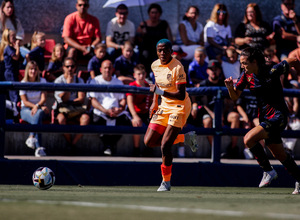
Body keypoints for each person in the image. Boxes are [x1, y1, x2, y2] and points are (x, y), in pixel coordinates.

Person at [224, 47, 300, 194]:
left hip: (278, 116)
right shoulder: (246, 76)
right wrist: (229, 87)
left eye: (244, 63)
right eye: (241, 63)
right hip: (265, 117)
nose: (242, 66)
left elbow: (294, 60)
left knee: (248, 139)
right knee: (280, 155)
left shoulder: (272, 69)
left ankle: (268, 171)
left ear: (254, 62)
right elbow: (234, 97)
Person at [144, 39, 198, 191]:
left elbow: (180, 95)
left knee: (165, 145)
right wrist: (155, 102)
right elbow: (157, 85)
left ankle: (165, 182)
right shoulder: (154, 65)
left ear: (171, 51)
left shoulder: (178, 67)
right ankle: (184, 138)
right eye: (159, 50)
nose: (162, 53)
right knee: (148, 142)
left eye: (165, 50)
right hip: (164, 105)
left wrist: (160, 92)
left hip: (179, 106)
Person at [188, 59, 241, 158]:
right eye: (211, 69)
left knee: (235, 116)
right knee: (207, 121)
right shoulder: (204, 84)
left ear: (219, 70)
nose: (214, 71)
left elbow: (229, 102)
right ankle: (215, 150)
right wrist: (215, 115)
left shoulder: (223, 83)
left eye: (216, 69)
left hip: (223, 112)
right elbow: (203, 104)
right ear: (207, 71)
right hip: (209, 112)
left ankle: (232, 148)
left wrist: (221, 114)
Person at [89, 60, 131, 156]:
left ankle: (110, 145)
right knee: (95, 121)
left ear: (113, 69)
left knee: (126, 121)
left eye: (109, 68)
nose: (107, 70)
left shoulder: (118, 82)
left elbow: (122, 99)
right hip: (101, 111)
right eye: (105, 68)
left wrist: (120, 109)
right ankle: (108, 145)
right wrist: (105, 111)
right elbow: (93, 101)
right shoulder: (95, 81)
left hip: (116, 111)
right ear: (100, 69)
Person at [54, 57, 90, 154]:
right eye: (67, 66)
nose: (70, 69)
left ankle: (72, 144)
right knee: (61, 120)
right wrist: (69, 85)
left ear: (75, 68)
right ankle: (70, 143)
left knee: (85, 119)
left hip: (76, 110)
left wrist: (70, 102)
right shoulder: (59, 81)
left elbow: (81, 99)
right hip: (63, 110)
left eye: (72, 66)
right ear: (63, 68)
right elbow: (64, 99)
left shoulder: (79, 80)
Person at [19, 61, 49, 157]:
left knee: (38, 114)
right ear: (27, 70)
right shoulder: (23, 83)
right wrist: (35, 106)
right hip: (26, 110)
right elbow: (25, 101)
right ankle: (39, 148)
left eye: (35, 69)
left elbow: (44, 98)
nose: (33, 71)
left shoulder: (43, 81)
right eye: (31, 69)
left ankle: (31, 137)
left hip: (39, 108)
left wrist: (37, 106)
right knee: (37, 116)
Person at [136, 3, 173, 74]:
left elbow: (170, 39)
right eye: (152, 13)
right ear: (149, 14)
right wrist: (142, 33)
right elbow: (138, 40)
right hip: (147, 49)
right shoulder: (143, 24)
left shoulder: (164, 24)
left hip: (161, 48)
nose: (154, 15)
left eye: (156, 13)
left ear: (160, 14)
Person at [126, 64, 152, 156]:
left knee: (155, 123)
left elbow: (153, 102)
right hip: (135, 112)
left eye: (143, 74)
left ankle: (149, 148)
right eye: (139, 74)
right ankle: (136, 149)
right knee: (137, 123)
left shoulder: (149, 86)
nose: (141, 76)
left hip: (146, 112)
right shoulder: (132, 85)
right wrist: (135, 116)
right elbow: (129, 102)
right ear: (134, 75)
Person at [0, 28, 19, 105]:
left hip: (14, 72)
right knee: (13, 93)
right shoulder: (8, 48)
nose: (15, 39)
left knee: (14, 92)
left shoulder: (11, 48)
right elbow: (16, 57)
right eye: (13, 37)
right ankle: (14, 109)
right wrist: (17, 47)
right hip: (10, 72)